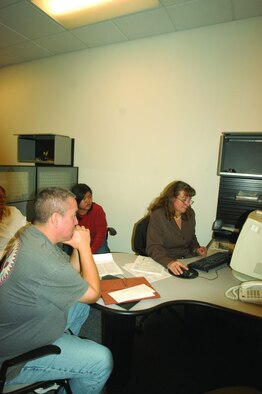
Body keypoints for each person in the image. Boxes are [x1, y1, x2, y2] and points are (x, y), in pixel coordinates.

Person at [0, 187, 113, 393]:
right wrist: (84, 247)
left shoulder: (30, 235)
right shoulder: (45, 261)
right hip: (13, 359)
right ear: (55, 218)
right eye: (73, 217)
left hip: (21, 326)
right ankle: (64, 365)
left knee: (80, 307)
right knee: (101, 361)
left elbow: (67, 273)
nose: (78, 222)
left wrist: (77, 249)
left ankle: (65, 361)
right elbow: (93, 293)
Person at [146, 180, 207, 276]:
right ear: (172, 198)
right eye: (184, 200)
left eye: (189, 200)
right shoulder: (159, 215)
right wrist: (169, 262)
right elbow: (153, 247)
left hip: (188, 260)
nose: (188, 204)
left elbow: (191, 237)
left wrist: (196, 249)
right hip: (167, 262)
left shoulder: (190, 213)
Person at [71, 183, 110, 254]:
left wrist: (90, 252)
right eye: (83, 198)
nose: (88, 201)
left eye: (89, 197)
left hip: (96, 241)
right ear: (76, 200)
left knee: (101, 257)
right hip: (77, 241)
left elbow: (101, 233)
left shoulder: (97, 209)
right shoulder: (71, 212)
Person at [0, 185, 28, 260]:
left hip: (23, 253)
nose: (2, 200)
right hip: (4, 262)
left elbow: (27, 226)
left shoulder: (13, 211)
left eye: (4, 197)